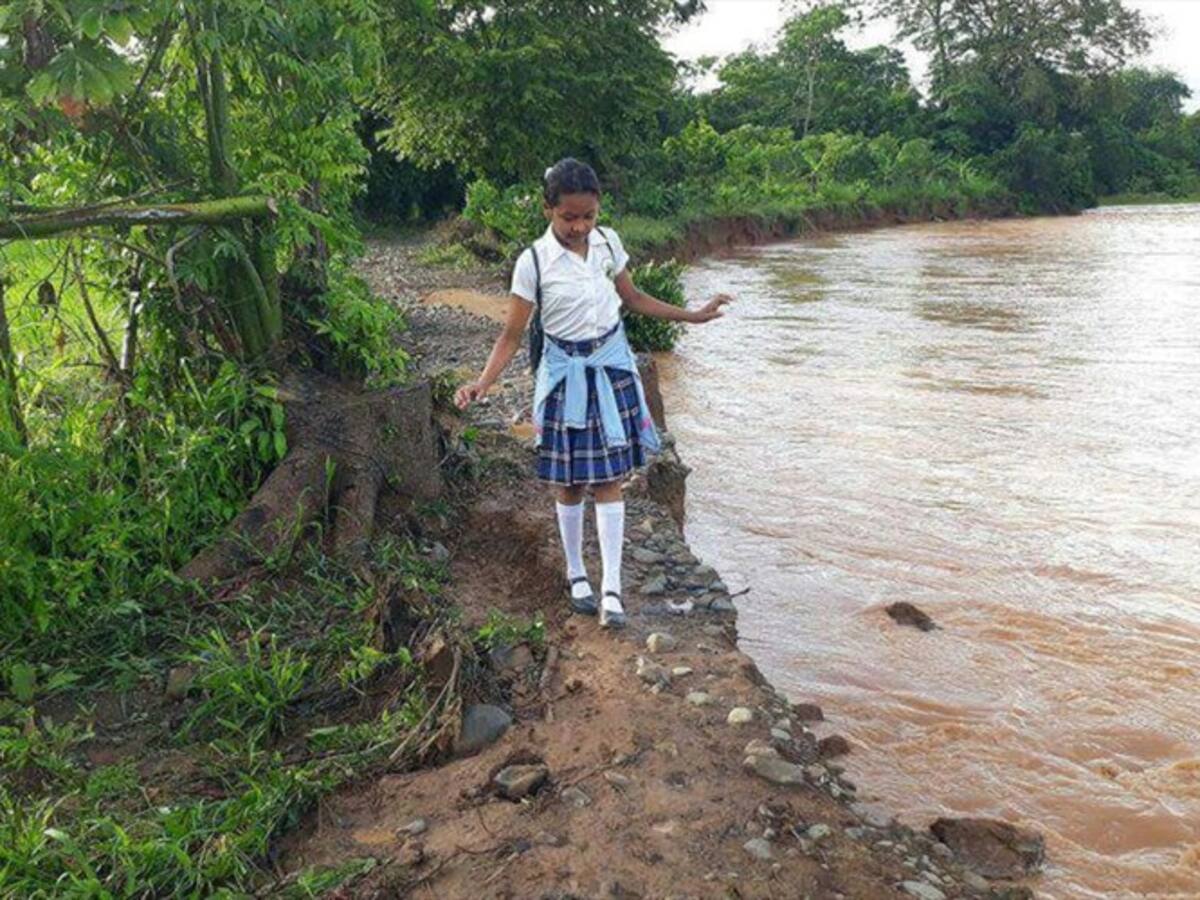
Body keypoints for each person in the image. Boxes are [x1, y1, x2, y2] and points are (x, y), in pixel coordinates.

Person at [455, 158, 731, 629]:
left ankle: (612, 589)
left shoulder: (607, 243)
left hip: (611, 369)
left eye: (588, 216)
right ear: (548, 210)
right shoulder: (534, 263)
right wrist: (483, 382)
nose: (580, 226)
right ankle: (576, 572)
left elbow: (634, 298)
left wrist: (693, 315)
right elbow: (512, 334)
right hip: (564, 378)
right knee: (568, 483)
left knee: (608, 481)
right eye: (569, 218)